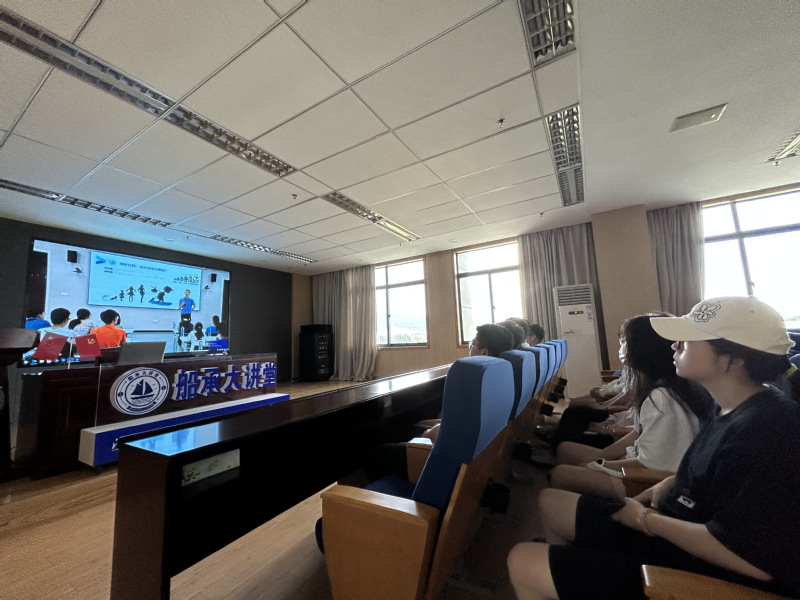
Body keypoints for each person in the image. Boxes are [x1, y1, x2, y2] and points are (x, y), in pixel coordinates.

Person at [507, 297, 800, 600]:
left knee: (523, 560)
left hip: (695, 561)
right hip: (675, 520)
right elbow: (713, 473)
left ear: (735, 358)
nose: (675, 345)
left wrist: (645, 520)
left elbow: (753, 561)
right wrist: (670, 482)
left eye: (688, 340)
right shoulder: (730, 405)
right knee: (552, 503)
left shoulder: (768, 430)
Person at [546, 313, 712, 498]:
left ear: (643, 349)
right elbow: (637, 432)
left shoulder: (662, 399)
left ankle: (600, 509)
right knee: (566, 449)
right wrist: (601, 456)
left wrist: (599, 465)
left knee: (560, 475)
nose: (622, 346)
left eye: (626, 342)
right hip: (636, 460)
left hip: (642, 481)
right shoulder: (659, 387)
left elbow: (651, 465)